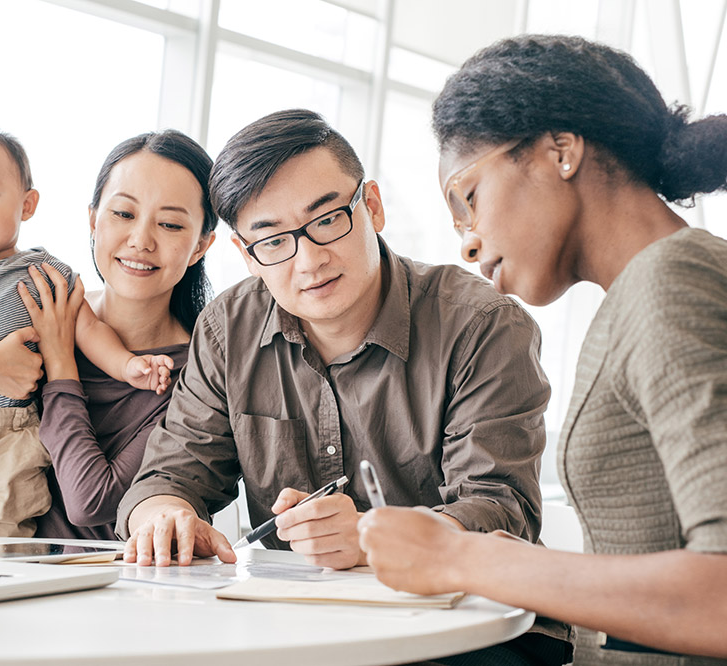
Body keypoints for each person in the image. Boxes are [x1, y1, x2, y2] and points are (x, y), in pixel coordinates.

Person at [357, 35, 727, 666]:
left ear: (559, 151)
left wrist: (463, 556)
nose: (468, 244)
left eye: (469, 198)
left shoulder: (672, 287)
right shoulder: (724, 280)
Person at [116, 109, 571, 664]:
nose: (309, 260)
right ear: (246, 255)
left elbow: (504, 510)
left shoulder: (481, 325)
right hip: (304, 625)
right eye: (273, 241)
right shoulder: (226, 329)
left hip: (474, 626)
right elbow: (169, 474)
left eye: (328, 219)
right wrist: (164, 514)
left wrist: (372, 537)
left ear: (372, 206)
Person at [0, 125, 173, 538]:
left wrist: (127, 365)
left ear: (27, 204)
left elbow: (88, 328)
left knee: (6, 542)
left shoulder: (46, 273)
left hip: (14, 437)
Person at [17, 131, 217, 540]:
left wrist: (60, 364)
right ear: (93, 220)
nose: (141, 241)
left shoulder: (195, 376)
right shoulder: (43, 308)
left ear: (200, 246)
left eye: (170, 224)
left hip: (101, 590)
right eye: (123, 214)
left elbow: (91, 501)